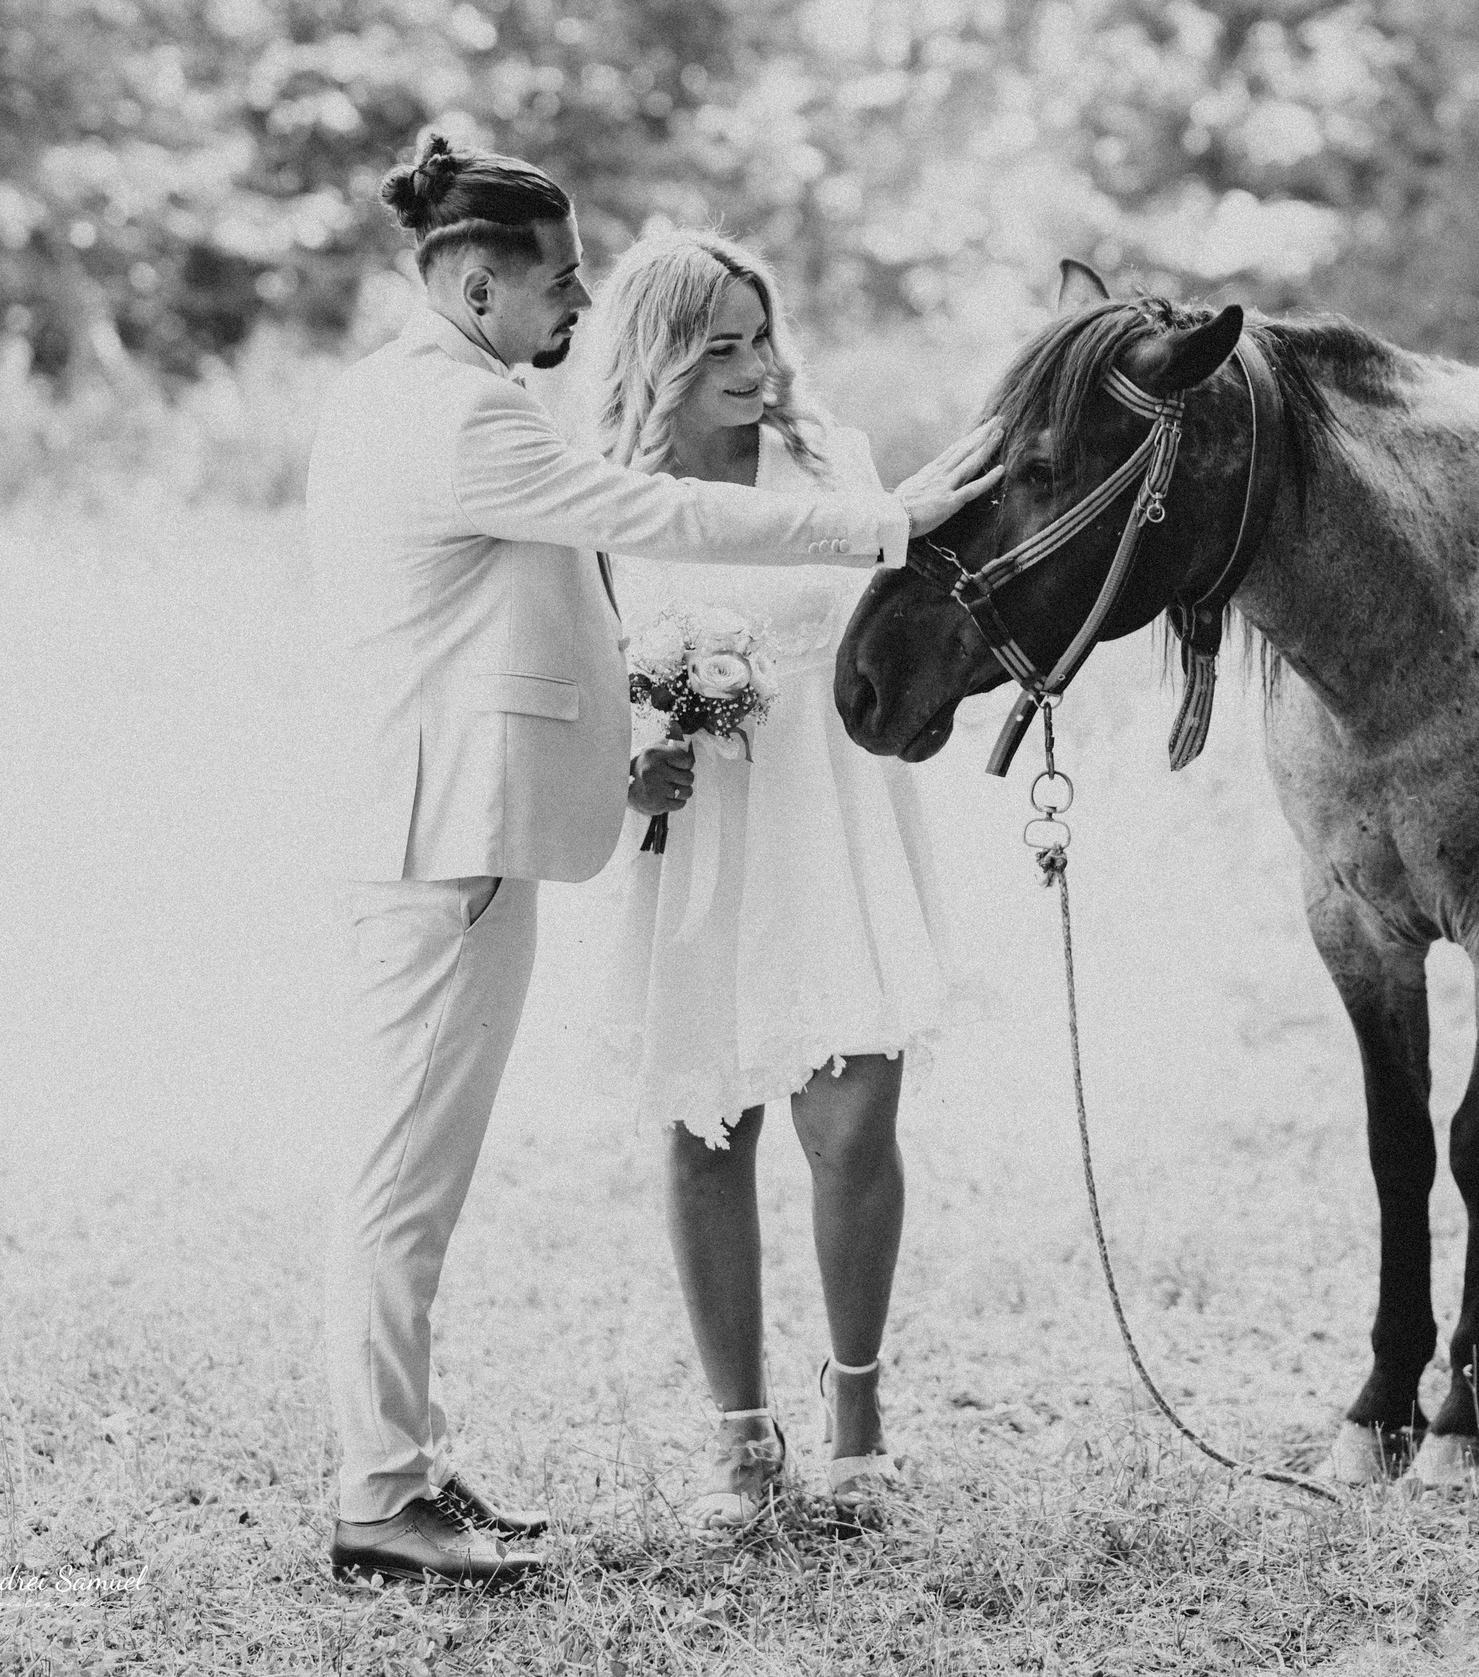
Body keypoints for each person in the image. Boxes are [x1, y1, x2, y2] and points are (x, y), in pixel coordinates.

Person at [306, 134, 1000, 1588]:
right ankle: (382, 1491)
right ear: (478, 281)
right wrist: (890, 522)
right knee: (401, 1186)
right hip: (446, 840)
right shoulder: (470, 421)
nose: (576, 299)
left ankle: (410, 1470)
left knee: (412, 1181)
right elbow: (656, 517)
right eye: (559, 277)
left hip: (484, 824)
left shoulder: (405, 396)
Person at [574, 232, 953, 1532]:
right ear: (659, 355)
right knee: (706, 1125)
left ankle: (859, 1420)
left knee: (853, 1127)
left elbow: (902, 612)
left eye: (759, 336)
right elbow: (574, 675)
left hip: (832, 816)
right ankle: (739, 1438)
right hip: (700, 843)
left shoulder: (825, 460)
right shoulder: (603, 499)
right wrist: (629, 764)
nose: (753, 365)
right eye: (719, 343)